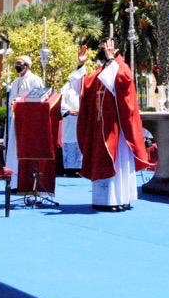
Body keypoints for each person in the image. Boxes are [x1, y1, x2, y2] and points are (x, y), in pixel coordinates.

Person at [76, 40, 149, 212]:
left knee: (118, 161)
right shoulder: (101, 70)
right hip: (100, 126)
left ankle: (120, 199)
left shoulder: (121, 67)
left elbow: (121, 84)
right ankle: (103, 200)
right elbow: (83, 87)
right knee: (101, 158)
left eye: (106, 48)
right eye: (102, 48)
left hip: (117, 127)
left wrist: (111, 60)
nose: (103, 51)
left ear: (115, 49)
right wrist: (80, 65)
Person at [6, 55, 43, 191]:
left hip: (28, 122)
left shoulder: (35, 80)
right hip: (16, 120)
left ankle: (27, 182)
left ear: (26, 65)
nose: (17, 66)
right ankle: (13, 182)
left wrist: (20, 101)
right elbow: (11, 99)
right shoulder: (15, 82)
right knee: (13, 150)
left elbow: (39, 99)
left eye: (19, 63)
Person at [60, 63, 83, 175]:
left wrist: (81, 111)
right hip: (69, 121)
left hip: (81, 121)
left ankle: (81, 169)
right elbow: (61, 102)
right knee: (69, 142)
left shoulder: (84, 87)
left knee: (81, 142)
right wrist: (69, 111)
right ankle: (69, 170)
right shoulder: (66, 88)